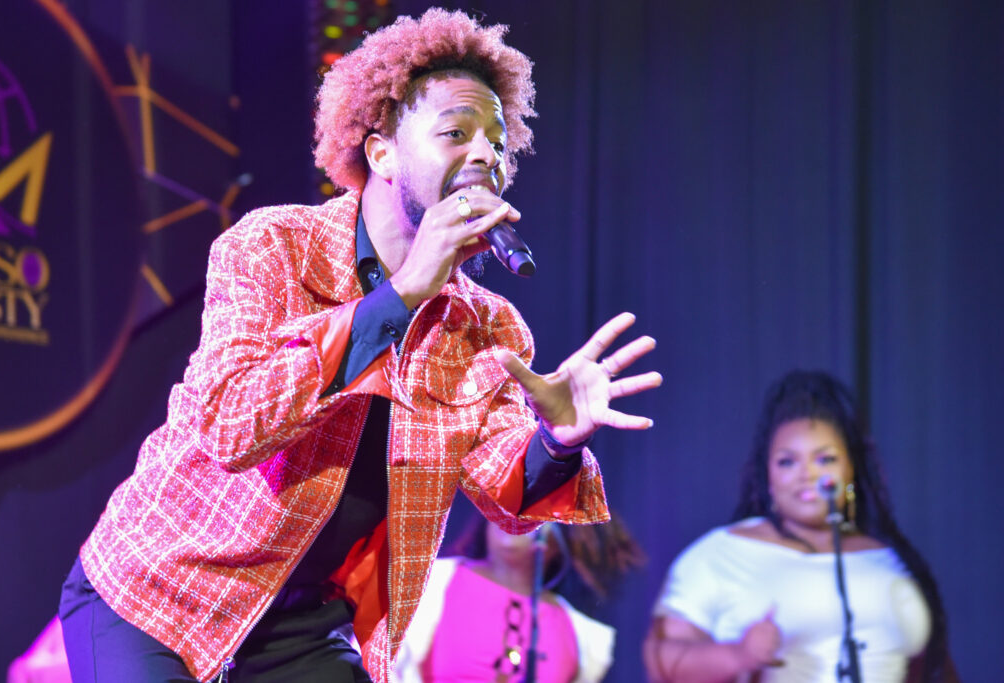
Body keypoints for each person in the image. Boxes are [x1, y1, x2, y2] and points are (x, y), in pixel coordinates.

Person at [58, 8, 662, 683]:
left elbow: (504, 495)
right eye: (457, 132)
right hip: (158, 594)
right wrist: (397, 297)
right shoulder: (273, 248)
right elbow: (232, 425)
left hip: (304, 625)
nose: (485, 157)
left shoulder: (486, 327)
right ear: (380, 152)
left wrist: (558, 438)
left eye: (497, 145)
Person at [642, 370, 954, 683]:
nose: (807, 474)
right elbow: (661, 661)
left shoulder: (889, 559)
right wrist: (739, 655)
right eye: (787, 461)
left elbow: (930, 666)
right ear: (768, 477)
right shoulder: (720, 553)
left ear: (851, 471)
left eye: (825, 459)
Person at [392, 514, 644, 683]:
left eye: (534, 509)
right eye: (510, 503)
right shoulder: (426, 583)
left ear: (560, 540)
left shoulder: (583, 639)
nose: (516, 514)